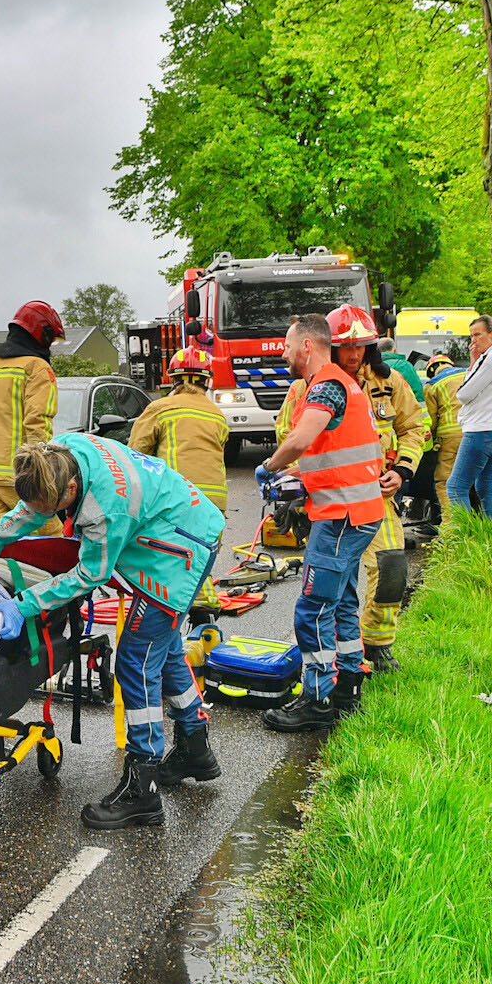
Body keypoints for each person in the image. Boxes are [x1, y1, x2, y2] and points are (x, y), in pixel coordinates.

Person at [0, 433, 225, 830]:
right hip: (179, 524)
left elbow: (89, 574)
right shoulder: (55, 456)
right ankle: (195, 747)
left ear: (70, 489)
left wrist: (22, 604)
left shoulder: (105, 508)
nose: (44, 513)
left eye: (53, 508)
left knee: (136, 661)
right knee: (165, 649)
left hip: (182, 551)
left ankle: (143, 789)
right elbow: (33, 508)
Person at [273, 305, 423, 675]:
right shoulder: (306, 387)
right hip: (334, 503)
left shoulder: (390, 384)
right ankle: (341, 663)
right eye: (346, 347)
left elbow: (414, 427)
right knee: (335, 589)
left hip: (378, 497)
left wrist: (402, 469)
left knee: (391, 568)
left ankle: (377, 645)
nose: (354, 354)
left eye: (360, 346)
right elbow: (289, 438)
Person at [255, 313, 384, 732]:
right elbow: (332, 454)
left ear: (307, 346)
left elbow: (301, 439)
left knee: (312, 609)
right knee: (342, 601)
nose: (285, 354)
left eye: (288, 347)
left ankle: (318, 699)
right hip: (359, 513)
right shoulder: (343, 385)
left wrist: (271, 466)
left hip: (341, 517)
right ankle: (348, 686)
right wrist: (299, 476)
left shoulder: (326, 387)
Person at [0, 300, 63, 532]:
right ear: (41, 334)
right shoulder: (37, 368)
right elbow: (38, 422)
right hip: (20, 474)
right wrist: (42, 471)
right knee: (49, 536)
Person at [128, 347, 229, 513]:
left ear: (173, 379)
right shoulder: (218, 414)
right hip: (215, 503)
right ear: (206, 380)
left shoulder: (160, 408)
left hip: (177, 498)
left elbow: (136, 453)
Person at [446, 313, 492, 517]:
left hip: (479, 430)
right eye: (471, 336)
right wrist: (474, 361)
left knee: (455, 487)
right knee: (487, 487)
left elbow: (464, 394)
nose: (473, 341)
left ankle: (464, 532)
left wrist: (474, 363)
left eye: (478, 335)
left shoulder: (491, 358)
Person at [424, 353, 466, 515]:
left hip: (450, 438)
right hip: (477, 433)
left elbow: (431, 419)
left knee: (444, 481)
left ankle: (452, 524)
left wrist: (431, 438)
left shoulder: (433, 385)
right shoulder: (469, 374)